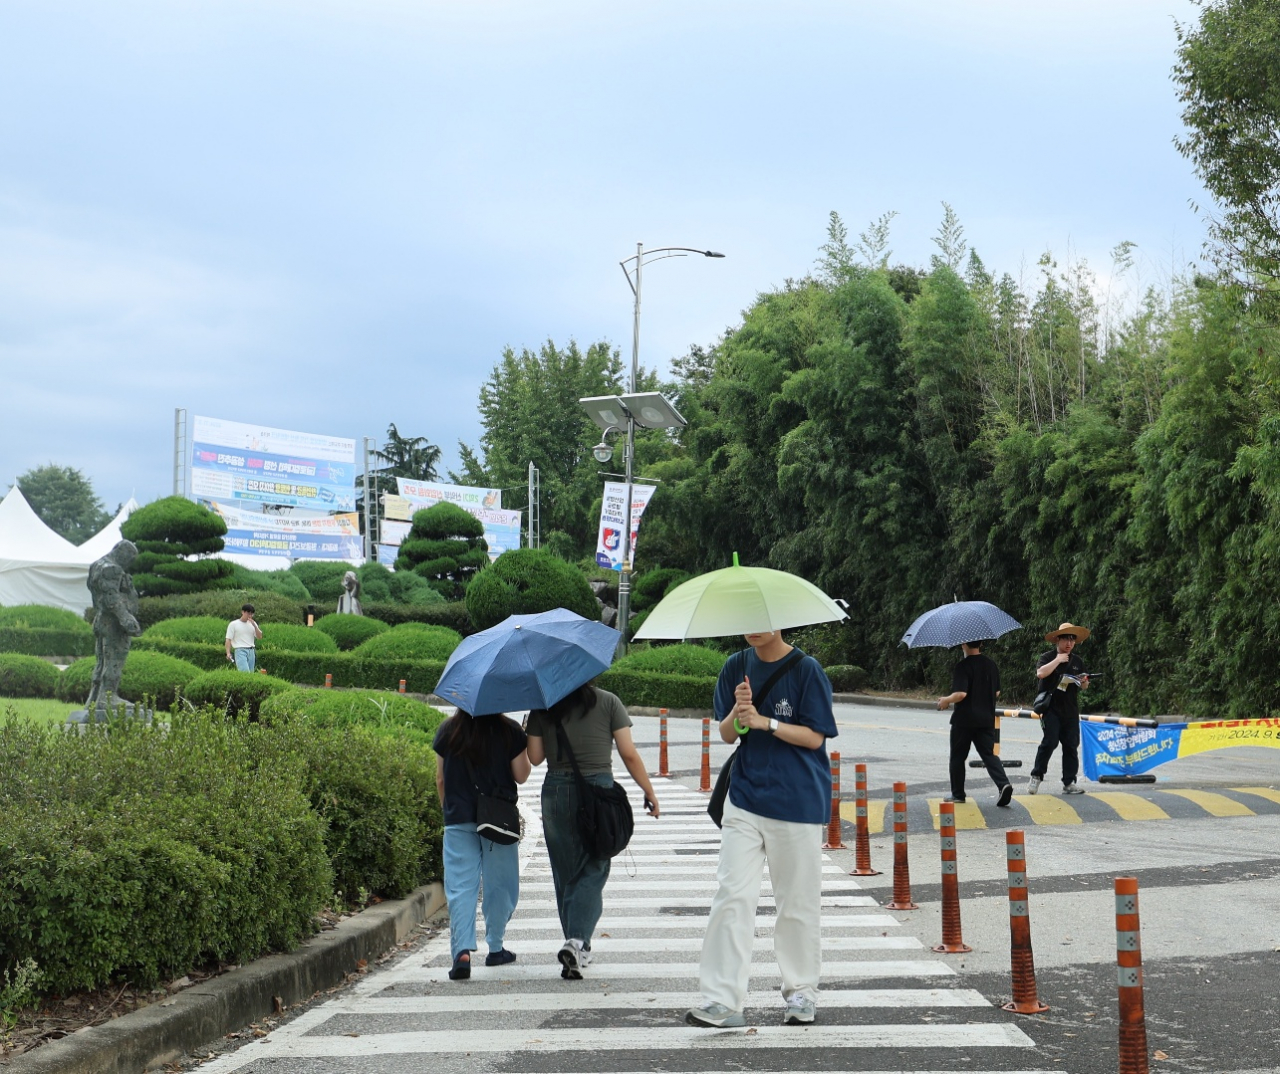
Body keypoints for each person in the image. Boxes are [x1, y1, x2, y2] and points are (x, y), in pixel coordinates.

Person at [687, 629, 837, 1030]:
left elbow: (815, 736)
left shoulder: (807, 670)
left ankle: (801, 990)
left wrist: (765, 721)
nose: (754, 627)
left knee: (797, 902)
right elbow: (724, 733)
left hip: (797, 801)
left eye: (763, 619)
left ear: (780, 621)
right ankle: (722, 1000)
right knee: (732, 895)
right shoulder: (735, 666)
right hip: (745, 798)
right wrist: (738, 716)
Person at [525, 683, 660, 979]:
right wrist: (648, 790)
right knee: (595, 866)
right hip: (597, 789)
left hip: (556, 793)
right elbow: (629, 753)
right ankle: (576, 941)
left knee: (565, 871)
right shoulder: (609, 701)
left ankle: (577, 944)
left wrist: (530, 725)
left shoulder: (542, 706)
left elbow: (535, 758)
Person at [433, 710, 531, 980]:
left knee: (461, 888)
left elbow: (440, 779)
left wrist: (449, 811)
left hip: (457, 818)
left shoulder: (448, 730)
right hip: (498, 819)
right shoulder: (510, 731)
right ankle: (496, 948)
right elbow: (522, 776)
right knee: (500, 884)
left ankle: (461, 952)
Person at [936, 639, 1013, 807]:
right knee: (989, 754)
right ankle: (1003, 784)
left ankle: (958, 794)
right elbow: (997, 692)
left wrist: (946, 700)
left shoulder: (963, 666)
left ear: (964, 644)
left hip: (964, 720)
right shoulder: (991, 665)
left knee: (957, 756)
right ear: (981, 644)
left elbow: (961, 694)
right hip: (986, 719)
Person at [1029, 622, 1091, 795]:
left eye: (1072, 639)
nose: (1069, 643)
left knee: (1071, 745)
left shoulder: (1077, 661)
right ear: (1058, 640)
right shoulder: (1048, 657)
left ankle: (1069, 782)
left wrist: (1084, 681)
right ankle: (1036, 776)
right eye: (1066, 639)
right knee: (1050, 742)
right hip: (1051, 709)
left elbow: (1084, 686)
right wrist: (1058, 660)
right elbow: (1040, 673)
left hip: (1070, 709)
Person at [85, 540, 142, 718]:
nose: (130, 561)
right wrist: (126, 618)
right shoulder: (112, 569)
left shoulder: (96, 565)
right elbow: (111, 598)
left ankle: (94, 697)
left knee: (102, 660)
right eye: (129, 556)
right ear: (121, 552)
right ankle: (108, 697)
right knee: (114, 659)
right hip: (114, 623)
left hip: (102, 619)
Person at [224, 604, 263, 671]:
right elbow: (228, 639)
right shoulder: (233, 624)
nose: (250, 616)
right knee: (244, 671)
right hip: (240, 650)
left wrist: (255, 626)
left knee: (251, 674)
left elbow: (259, 637)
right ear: (243, 612)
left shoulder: (253, 624)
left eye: (251, 614)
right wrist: (228, 653)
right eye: (248, 613)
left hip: (251, 651)